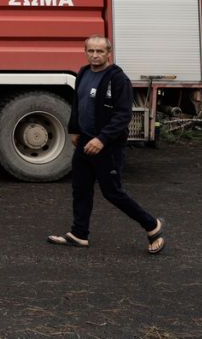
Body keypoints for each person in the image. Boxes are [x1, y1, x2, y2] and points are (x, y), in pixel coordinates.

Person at [47, 35, 166, 254]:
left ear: (108, 53)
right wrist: (74, 128)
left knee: (113, 192)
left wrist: (102, 139)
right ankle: (79, 234)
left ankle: (152, 226)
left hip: (107, 146)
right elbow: (78, 103)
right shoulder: (83, 73)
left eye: (100, 51)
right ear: (85, 51)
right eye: (91, 51)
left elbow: (123, 115)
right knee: (80, 189)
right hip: (85, 142)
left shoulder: (117, 79)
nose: (95, 55)